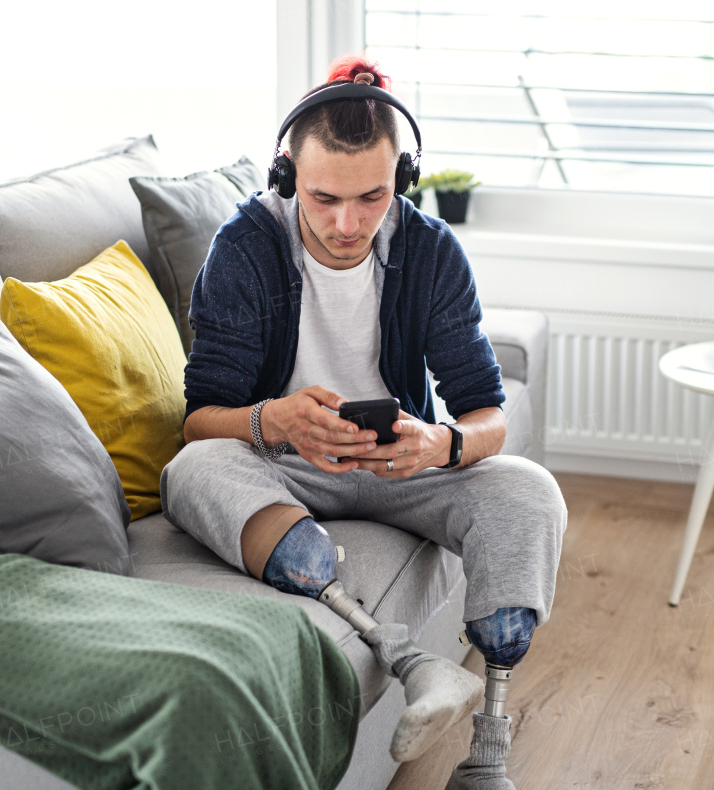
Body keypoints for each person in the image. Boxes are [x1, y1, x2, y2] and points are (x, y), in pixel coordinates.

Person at [160, 54, 566, 790]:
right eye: (322, 199)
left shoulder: (430, 250)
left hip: (399, 472)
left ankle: (488, 755)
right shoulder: (244, 249)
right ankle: (414, 663)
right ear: (287, 174)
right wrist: (272, 421)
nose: (347, 225)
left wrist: (443, 443)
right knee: (188, 472)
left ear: (401, 180)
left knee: (529, 493)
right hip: (278, 469)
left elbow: (486, 412)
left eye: (373, 198)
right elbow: (198, 423)